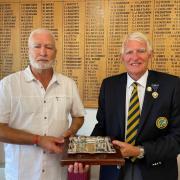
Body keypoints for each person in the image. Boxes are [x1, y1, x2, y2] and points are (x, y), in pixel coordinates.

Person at [90, 32, 180, 180]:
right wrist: (87, 156)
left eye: (141, 51)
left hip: (155, 171)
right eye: (129, 52)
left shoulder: (172, 86)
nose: (135, 57)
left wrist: (139, 151)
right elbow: (102, 126)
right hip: (114, 171)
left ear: (150, 54)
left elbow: (177, 138)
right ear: (122, 57)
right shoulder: (109, 85)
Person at [0, 28, 85, 180]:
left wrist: (70, 131)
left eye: (49, 47)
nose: (43, 53)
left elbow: (78, 116)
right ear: (28, 50)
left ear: (56, 52)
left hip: (57, 173)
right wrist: (38, 140)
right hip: (21, 174)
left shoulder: (68, 84)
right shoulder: (8, 85)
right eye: (37, 46)